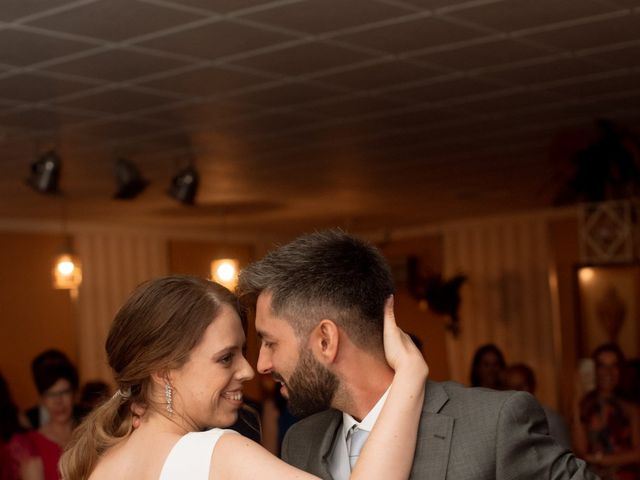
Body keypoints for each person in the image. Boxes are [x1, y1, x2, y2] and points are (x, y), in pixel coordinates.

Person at [237, 229, 597, 479]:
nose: (262, 365)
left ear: (326, 340)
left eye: (270, 342)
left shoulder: (493, 425)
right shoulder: (302, 441)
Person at [60, 275, 428, 480]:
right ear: (163, 371)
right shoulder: (214, 453)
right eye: (225, 358)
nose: (248, 370)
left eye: (244, 351)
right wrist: (409, 375)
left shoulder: (100, 464)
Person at [573, 343, 640, 479]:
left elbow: (637, 454)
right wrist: (577, 400)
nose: (608, 372)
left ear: (621, 370)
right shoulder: (584, 406)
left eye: (614, 365)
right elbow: (581, 450)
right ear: (594, 370)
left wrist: (597, 458)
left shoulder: (631, 407)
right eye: (602, 365)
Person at [9, 359, 79, 480]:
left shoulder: (90, 436)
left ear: (74, 394)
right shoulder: (30, 445)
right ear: (42, 399)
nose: (58, 402)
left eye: (64, 392)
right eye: (50, 394)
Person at [504, 363, 572, 450]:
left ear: (533, 385)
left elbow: (566, 458)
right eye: (512, 388)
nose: (517, 393)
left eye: (521, 386)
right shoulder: (502, 422)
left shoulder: (552, 420)